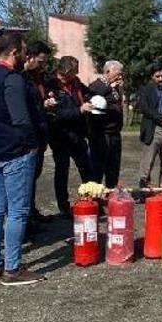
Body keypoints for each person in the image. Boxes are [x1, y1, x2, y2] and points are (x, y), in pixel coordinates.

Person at [0, 33, 45, 285]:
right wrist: (32, 145)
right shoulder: (12, 79)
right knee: (17, 211)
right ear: (14, 52)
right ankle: (12, 268)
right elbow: (21, 118)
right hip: (14, 151)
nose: (26, 56)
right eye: (24, 51)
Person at [44, 56, 93, 218]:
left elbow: (89, 93)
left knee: (86, 167)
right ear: (66, 71)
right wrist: (79, 110)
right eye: (75, 70)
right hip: (60, 135)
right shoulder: (51, 86)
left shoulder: (76, 83)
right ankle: (63, 206)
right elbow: (55, 114)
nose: (77, 73)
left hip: (78, 134)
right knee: (62, 169)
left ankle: (89, 199)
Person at [22, 41, 51, 229]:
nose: (43, 65)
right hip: (30, 136)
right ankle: (26, 220)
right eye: (40, 61)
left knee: (34, 177)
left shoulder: (38, 77)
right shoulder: (21, 78)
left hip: (40, 135)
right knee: (25, 180)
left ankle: (31, 211)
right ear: (30, 57)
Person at [88, 60, 124, 189]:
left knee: (113, 167)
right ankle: (95, 196)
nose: (120, 76)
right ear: (108, 71)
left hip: (115, 132)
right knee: (98, 167)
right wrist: (110, 88)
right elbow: (92, 97)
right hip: (101, 134)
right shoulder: (97, 85)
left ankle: (111, 194)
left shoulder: (115, 86)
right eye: (118, 73)